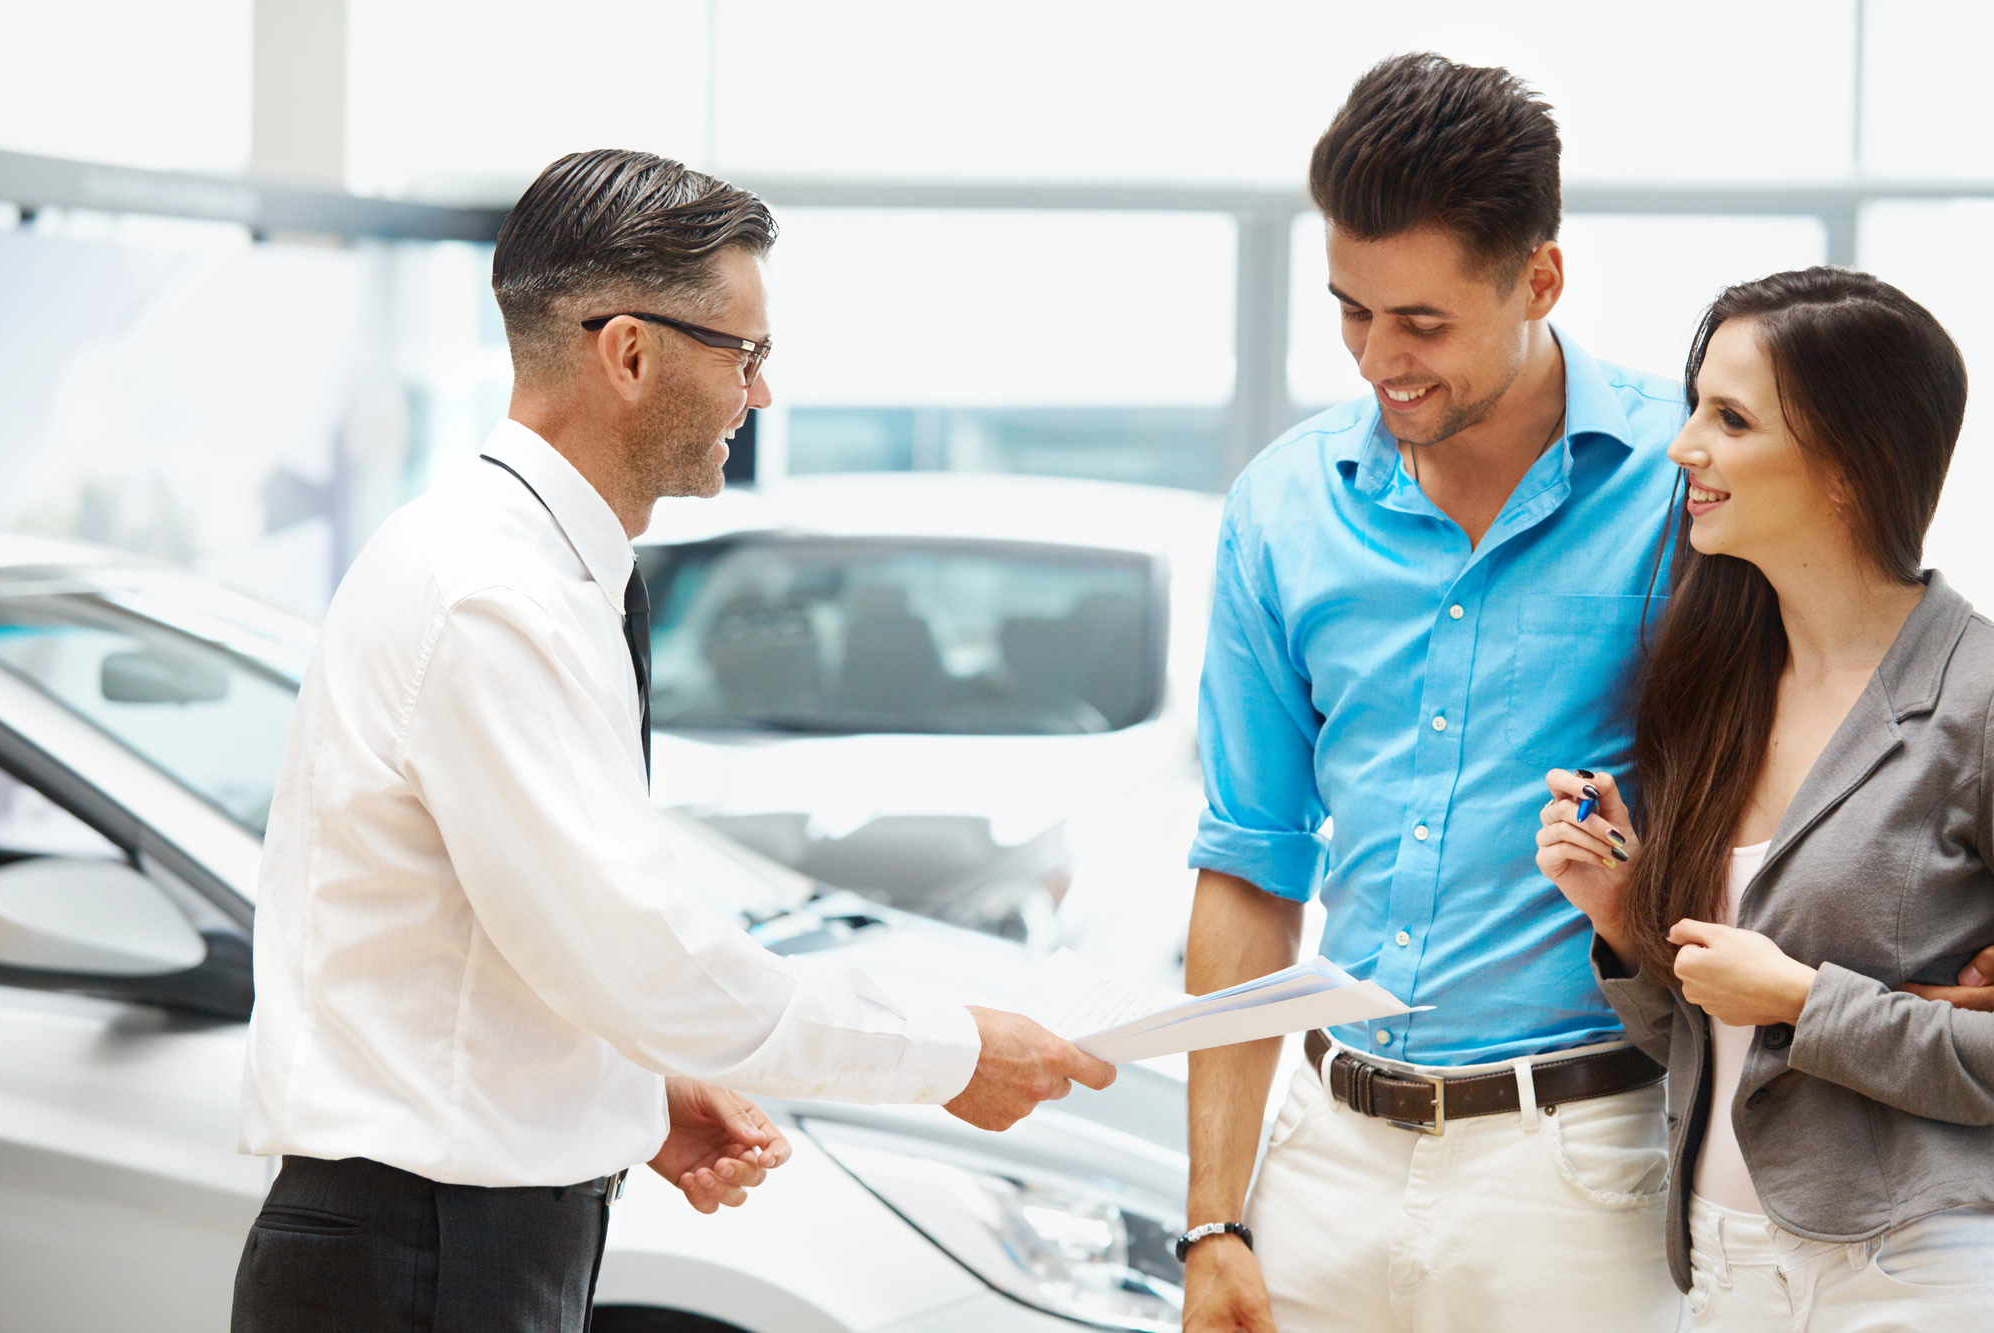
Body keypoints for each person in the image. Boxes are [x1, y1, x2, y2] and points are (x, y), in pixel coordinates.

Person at [231, 149, 1113, 1333]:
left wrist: (626, 1094)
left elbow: (497, 940)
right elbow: (640, 953)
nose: (760, 396)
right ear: (630, 351)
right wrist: (950, 1054)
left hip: (451, 1239)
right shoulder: (493, 594)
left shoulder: (518, 567)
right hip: (422, 1256)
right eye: (743, 354)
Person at [1180, 54, 1692, 1333]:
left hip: (1583, 1160)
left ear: (1539, 279)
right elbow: (1250, 864)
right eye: (1352, 312)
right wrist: (1212, 1214)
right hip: (1322, 1158)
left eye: (1422, 323)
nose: (1377, 361)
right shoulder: (1280, 508)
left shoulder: (1684, 484)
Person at [1538, 267, 1994, 1329]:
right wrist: (1617, 920)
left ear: (1847, 465)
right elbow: (1708, 1038)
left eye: (1728, 418)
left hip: (1912, 1269)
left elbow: (1780, 1011)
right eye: (1694, 405)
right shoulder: (1718, 693)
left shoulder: (1974, 700)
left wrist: (1801, 999)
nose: (1680, 446)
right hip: (1718, 1263)